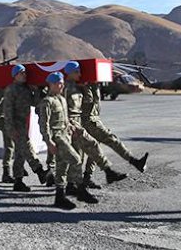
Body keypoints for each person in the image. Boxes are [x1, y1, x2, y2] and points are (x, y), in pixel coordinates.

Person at [61, 62, 146, 190]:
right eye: (77, 72)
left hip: (89, 120)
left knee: (91, 150)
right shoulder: (75, 87)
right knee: (107, 140)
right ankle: (132, 162)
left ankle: (84, 179)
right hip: (86, 121)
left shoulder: (90, 85)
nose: (79, 74)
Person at [2, 64, 51, 192]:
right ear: (15, 75)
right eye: (21, 73)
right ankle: (39, 171)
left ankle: (18, 181)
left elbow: (35, 103)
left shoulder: (26, 89)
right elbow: (7, 111)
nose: (24, 75)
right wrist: (11, 128)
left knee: (20, 153)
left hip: (23, 124)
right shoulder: (11, 90)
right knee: (27, 148)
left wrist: (37, 91)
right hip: (15, 125)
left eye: (25, 73)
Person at [37, 72, 81, 209]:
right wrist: (49, 142)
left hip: (65, 135)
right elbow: (43, 124)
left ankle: (59, 197)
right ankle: (75, 186)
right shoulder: (46, 102)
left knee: (62, 166)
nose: (60, 85)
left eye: (61, 83)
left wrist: (71, 128)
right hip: (57, 137)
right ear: (50, 85)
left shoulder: (62, 99)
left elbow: (65, 119)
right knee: (76, 159)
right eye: (57, 83)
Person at [0, 87, 15, 183]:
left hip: (12, 119)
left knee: (17, 144)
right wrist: (3, 91)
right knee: (9, 145)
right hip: (2, 119)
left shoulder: (15, 88)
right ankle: (6, 172)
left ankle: (17, 168)